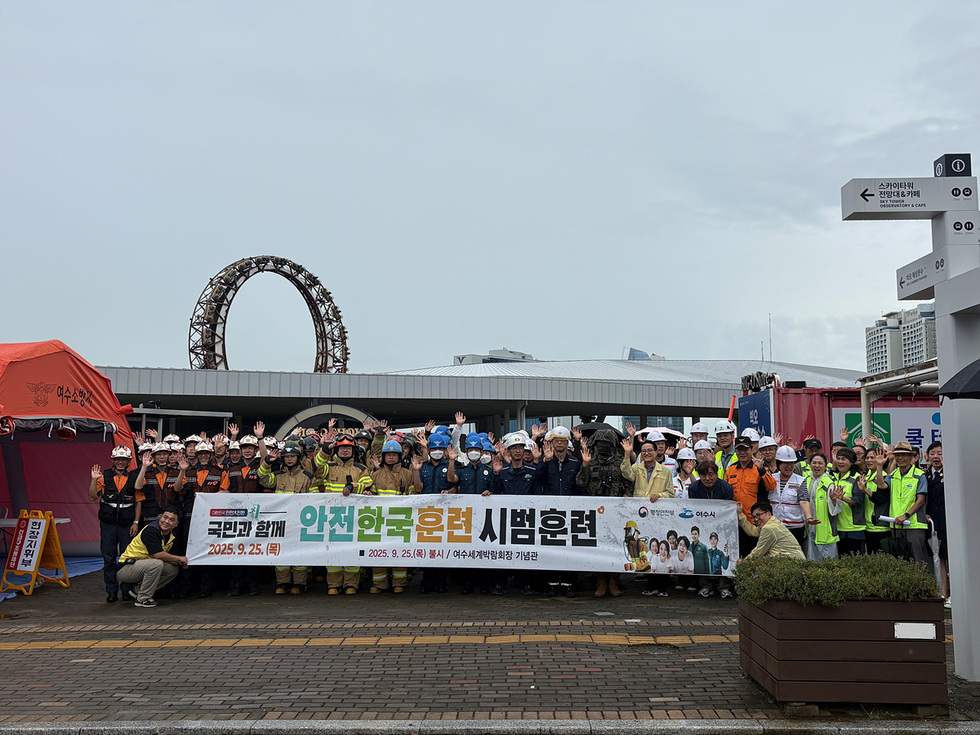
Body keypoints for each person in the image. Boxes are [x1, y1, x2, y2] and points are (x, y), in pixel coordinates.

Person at [257, 428, 317, 595]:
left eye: (292, 456)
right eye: (287, 457)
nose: (289, 459)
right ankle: (282, 583)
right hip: (280, 522)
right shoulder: (277, 476)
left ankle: (300, 583)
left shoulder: (307, 477)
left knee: (300, 555)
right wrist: (267, 462)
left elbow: (315, 499)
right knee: (281, 554)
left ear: (298, 457)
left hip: (300, 522)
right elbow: (263, 480)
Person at [314, 432, 374, 594]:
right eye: (341, 448)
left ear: (353, 450)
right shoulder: (329, 467)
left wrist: (352, 486)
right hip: (332, 516)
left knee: (352, 551)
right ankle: (334, 585)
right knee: (332, 551)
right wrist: (325, 450)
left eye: (348, 448)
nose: (345, 451)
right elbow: (317, 468)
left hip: (354, 517)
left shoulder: (361, 468)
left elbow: (367, 483)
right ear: (337, 450)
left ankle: (350, 585)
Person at [576, 429, 632, 598]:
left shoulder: (619, 461)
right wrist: (585, 465)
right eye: (600, 444)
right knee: (598, 546)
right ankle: (600, 580)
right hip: (596, 513)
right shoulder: (589, 460)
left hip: (616, 512)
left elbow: (628, 481)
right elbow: (580, 482)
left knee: (616, 545)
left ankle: (614, 580)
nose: (603, 446)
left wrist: (627, 495)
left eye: (606, 444)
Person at [89, 446, 141, 603]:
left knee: (128, 559)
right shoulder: (104, 476)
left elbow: (138, 502)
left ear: (128, 462)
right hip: (108, 525)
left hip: (127, 525)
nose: (120, 462)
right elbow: (92, 497)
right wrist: (94, 479)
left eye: (123, 459)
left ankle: (127, 591)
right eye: (117, 459)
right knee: (109, 558)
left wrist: (136, 522)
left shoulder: (134, 478)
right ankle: (111, 591)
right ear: (112, 460)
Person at [535, 426, 581, 596]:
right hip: (550, 511)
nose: (559, 444)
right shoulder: (546, 461)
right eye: (556, 441)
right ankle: (552, 583)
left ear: (567, 443)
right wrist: (545, 462)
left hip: (571, 512)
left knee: (570, 548)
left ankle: (569, 583)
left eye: (562, 441)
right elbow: (537, 478)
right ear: (552, 443)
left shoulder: (575, 463)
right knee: (552, 547)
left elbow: (579, 486)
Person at [369, 439, 417, 594]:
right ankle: (379, 584)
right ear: (383, 456)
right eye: (388, 454)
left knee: (398, 552)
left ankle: (399, 583)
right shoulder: (375, 475)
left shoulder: (408, 474)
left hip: (400, 520)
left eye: (394, 455)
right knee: (378, 552)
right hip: (379, 520)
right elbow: (372, 494)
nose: (391, 458)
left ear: (399, 456)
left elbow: (414, 494)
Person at [873, 441, 930, 566]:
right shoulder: (893, 474)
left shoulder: (919, 475)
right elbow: (881, 485)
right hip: (896, 524)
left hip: (914, 525)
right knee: (899, 562)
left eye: (904, 455)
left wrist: (906, 515)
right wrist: (879, 466)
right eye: (897, 455)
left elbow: (920, 500)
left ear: (911, 457)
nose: (900, 458)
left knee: (917, 561)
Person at [116, 510, 188, 608]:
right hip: (126, 568)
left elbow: (165, 557)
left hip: (142, 565)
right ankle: (143, 599)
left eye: (171, 520)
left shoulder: (171, 535)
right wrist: (180, 559)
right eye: (165, 517)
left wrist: (180, 562)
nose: (166, 521)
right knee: (156, 564)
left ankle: (136, 591)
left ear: (176, 524)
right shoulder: (151, 530)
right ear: (160, 517)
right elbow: (159, 555)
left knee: (172, 570)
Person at [416, 432, 457, 594]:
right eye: (434, 448)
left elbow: (455, 485)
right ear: (430, 449)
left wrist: (449, 493)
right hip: (425, 515)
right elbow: (418, 489)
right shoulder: (422, 467)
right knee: (427, 550)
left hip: (445, 515)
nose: (437, 451)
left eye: (441, 448)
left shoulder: (449, 465)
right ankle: (427, 582)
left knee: (442, 549)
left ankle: (442, 582)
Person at [723, 436, 776, 556]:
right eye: (739, 449)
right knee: (734, 554)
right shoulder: (731, 470)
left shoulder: (760, 468)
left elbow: (772, 486)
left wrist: (762, 469)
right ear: (735, 451)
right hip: (735, 521)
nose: (742, 453)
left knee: (753, 554)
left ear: (752, 450)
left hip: (754, 522)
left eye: (745, 449)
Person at [687, 463, 734, 598]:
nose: (707, 478)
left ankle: (724, 587)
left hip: (723, 526)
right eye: (703, 475)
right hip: (702, 525)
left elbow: (727, 510)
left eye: (710, 474)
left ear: (717, 474)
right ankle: (705, 586)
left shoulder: (726, 487)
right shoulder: (694, 488)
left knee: (722, 555)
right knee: (704, 556)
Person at [768, 445, 817, 546]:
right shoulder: (771, 478)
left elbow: (804, 500)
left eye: (791, 463)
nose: (789, 466)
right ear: (778, 463)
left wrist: (809, 518)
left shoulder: (800, 480)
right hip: (775, 527)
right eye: (785, 463)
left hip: (794, 528)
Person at [803, 453, 841, 561]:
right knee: (811, 564)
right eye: (814, 463)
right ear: (810, 464)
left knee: (829, 565)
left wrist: (834, 500)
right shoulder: (806, 480)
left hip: (825, 531)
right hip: (810, 529)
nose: (817, 466)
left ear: (826, 466)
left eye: (820, 463)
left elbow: (836, 510)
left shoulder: (829, 482)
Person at [736, 501, 805, 561]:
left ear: (769, 514)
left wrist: (744, 563)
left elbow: (758, 551)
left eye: (758, 515)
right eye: (754, 517)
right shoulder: (772, 523)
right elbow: (753, 531)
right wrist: (740, 514)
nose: (756, 519)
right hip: (791, 561)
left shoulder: (769, 528)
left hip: (793, 563)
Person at [925, 442, 949, 604]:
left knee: (950, 557)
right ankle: (943, 594)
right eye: (932, 453)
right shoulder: (924, 475)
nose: (936, 457)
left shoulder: (951, 474)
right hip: (931, 523)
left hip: (948, 522)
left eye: (940, 453)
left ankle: (956, 594)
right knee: (938, 557)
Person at [833, 447, 867, 556]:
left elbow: (858, 501)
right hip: (838, 528)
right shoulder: (834, 478)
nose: (840, 462)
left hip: (854, 529)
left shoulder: (857, 478)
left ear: (851, 462)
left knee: (854, 563)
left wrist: (842, 498)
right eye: (838, 459)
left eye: (844, 459)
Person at [620, 436, 673, 501]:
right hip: (639, 506)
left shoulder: (666, 471)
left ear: (656, 452)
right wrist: (627, 454)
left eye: (649, 450)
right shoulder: (636, 468)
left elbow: (671, 494)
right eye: (643, 451)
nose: (646, 453)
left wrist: (660, 495)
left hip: (657, 508)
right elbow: (626, 473)